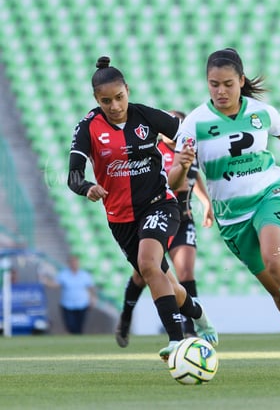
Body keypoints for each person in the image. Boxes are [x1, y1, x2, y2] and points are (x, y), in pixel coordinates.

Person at [169, 48, 280, 376]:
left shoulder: (261, 112)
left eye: (228, 84)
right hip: (232, 218)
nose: (220, 91)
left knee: (276, 259)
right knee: (276, 291)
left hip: (270, 196)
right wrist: (182, 165)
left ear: (241, 81)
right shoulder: (194, 124)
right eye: (213, 84)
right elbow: (175, 182)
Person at [67, 56, 217, 360]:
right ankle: (199, 315)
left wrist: (187, 150)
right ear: (96, 99)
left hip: (159, 205)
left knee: (149, 265)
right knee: (165, 281)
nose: (114, 105)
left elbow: (186, 131)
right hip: (120, 220)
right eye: (106, 100)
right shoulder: (88, 127)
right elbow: (73, 175)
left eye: (119, 97)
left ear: (128, 90)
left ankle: (178, 342)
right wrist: (87, 187)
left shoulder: (145, 116)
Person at [116, 110, 214, 347]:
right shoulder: (155, 151)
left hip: (182, 219)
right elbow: (173, 183)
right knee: (143, 274)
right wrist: (182, 166)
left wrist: (205, 201)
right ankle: (126, 318)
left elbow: (194, 175)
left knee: (186, 272)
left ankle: (189, 329)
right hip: (155, 216)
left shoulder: (189, 152)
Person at [43, 255, 96, 334]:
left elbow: (91, 288)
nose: (74, 264)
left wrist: (92, 299)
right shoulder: (63, 274)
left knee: (79, 327)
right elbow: (55, 285)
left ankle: (78, 343)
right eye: (72, 262)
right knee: (70, 325)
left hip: (82, 304)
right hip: (67, 305)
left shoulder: (85, 275)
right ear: (69, 263)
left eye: (75, 262)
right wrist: (45, 281)